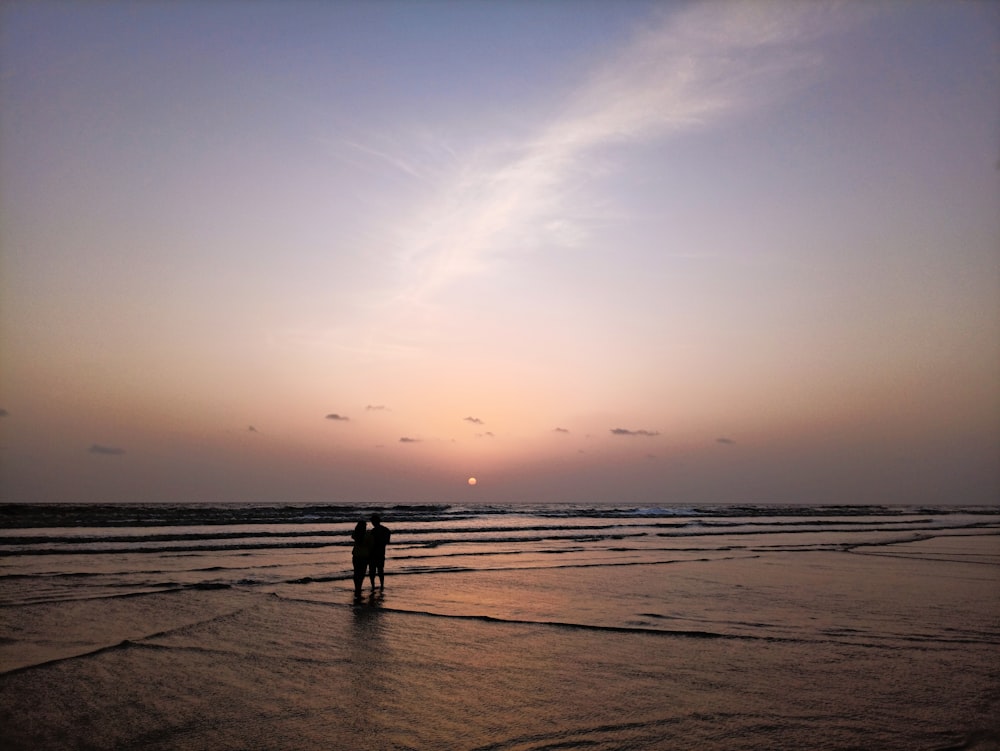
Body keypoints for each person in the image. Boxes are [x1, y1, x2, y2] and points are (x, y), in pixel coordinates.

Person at [368, 513, 391, 590]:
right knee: (380, 570)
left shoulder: (373, 531)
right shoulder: (385, 530)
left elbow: (370, 543)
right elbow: (387, 540)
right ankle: (381, 585)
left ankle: (373, 586)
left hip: (373, 553)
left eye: (372, 521)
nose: (372, 523)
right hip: (381, 552)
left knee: (372, 571)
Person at [350, 519, 371, 597]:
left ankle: (357, 587)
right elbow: (370, 545)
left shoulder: (355, 534)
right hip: (364, 556)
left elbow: (353, 536)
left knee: (356, 572)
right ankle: (359, 586)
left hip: (356, 555)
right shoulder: (367, 535)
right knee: (362, 573)